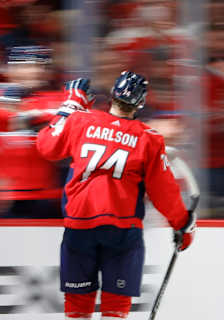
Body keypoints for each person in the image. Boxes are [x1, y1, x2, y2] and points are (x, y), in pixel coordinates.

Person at [36, 73, 196, 319]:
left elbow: (46, 146)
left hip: (79, 226)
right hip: (122, 230)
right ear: (140, 103)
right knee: (115, 309)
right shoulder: (148, 138)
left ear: (112, 95)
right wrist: (183, 224)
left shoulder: (80, 120)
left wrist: (70, 104)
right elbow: (163, 191)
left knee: (77, 308)